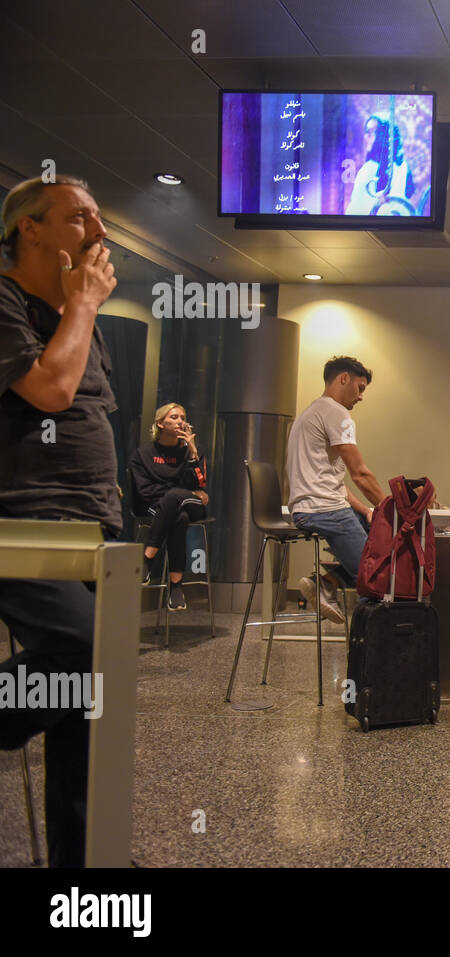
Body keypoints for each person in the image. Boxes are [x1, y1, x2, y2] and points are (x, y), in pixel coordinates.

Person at [0, 174, 118, 867]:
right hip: (20, 525)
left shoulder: (81, 311)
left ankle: (77, 867)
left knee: (86, 703)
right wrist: (82, 306)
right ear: (30, 228)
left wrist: (81, 310)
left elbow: (87, 405)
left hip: (89, 525)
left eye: (98, 218)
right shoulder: (8, 300)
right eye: (78, 219)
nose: (97, 233)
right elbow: (50, 390)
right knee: (85, 652)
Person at [286, 356, 385, 623]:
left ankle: (325, 583)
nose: (361, 397)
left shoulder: (311, 412)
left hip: (312, 508)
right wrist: (393, 509)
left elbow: (335, 482)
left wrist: (367, 510)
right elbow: (361, 474)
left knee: (380, 544)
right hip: (325, 511)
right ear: (344, 379)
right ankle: (372, 656)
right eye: (360, 388)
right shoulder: (337, 413)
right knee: (377, 583)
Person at [128, 402, 208, 610]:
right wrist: (180, 494)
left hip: (192, 505)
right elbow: (144, 492)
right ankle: (176, 588)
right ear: (160, 423)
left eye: (182, 417)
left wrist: (192, 453)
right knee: (177, 517)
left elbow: (201, 484)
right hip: (158, 508)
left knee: (175, 500)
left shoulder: (194, 451)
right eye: (174, 417)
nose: (180, 421)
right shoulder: (143, 454)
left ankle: (147, 559)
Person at [346, 115, 411, 216]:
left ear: (384, 136)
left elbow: (400, 204)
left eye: (371, 132)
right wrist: (376, 203)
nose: (366, 137)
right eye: (366, 132)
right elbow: (355, 208)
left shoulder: (401, 166)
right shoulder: (368, 168)